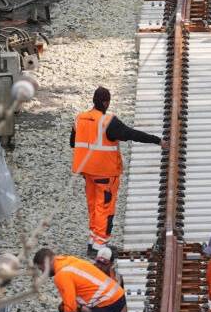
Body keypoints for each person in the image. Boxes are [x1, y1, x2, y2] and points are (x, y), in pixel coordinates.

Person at [70, 87, 168, 256]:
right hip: (105, 174)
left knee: (93, 206)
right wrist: (157, 141)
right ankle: (100, 245)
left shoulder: (79, 118)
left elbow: (73, 143)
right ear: (106, 102)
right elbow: (132, 134)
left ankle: (92, 241)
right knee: (105, 208)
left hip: (87, 173)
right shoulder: (108, 121)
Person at [93, 246, 128, 312]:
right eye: (98, 262)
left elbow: (121, 301)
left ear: (111, 264)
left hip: (105, 310)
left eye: (104, 263)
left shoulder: (117, 278)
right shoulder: (89, 272)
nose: (100, 266)